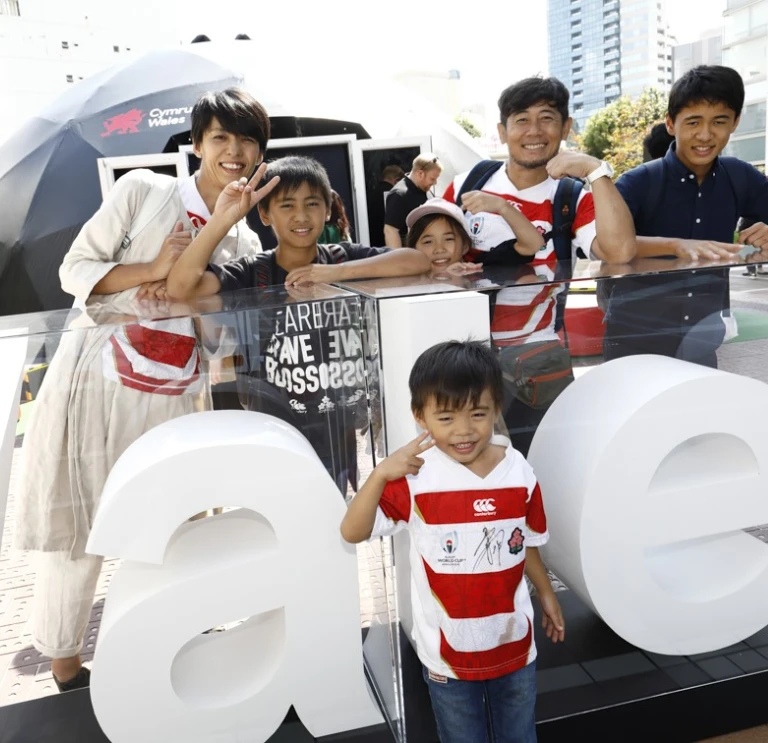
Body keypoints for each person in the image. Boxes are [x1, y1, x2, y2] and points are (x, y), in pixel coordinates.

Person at [13, 88, 270, 692]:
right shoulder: (143, 192)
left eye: (246, 140)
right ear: (198, 142)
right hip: (97, 385)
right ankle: (65, 662)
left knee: (178, 523)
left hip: (178, 399)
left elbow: (221, 346)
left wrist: (195, 304)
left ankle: (180, 633)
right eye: (220, 138)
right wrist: (155, 270)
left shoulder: (247, 241)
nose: (233, 152)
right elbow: (75, 271)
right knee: (81, 521)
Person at [340, 340, 564, 743]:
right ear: (420, 417)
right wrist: (379, 475)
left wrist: (545, 593)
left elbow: (525, 542)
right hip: (447, 661)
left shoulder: (520, 472)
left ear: (497, 409)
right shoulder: (414, 479)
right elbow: (352, 532)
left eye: (478, 414)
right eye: (446, 417)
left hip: (515, 649)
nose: (464, 431)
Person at [167, 156, 431, 493]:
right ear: (265, 214)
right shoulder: (252, 272)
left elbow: (417, 261)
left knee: (336, 517)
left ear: (327, 209)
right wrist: (222, 220)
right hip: (272, 432)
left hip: (337, 429)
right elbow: (181, 287)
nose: (301, 216)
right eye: (287, 205)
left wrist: (335, 275)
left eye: (312, 204)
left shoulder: (340, 258)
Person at [442, 76, 636, 454]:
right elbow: (431, 251)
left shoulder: (570, 196)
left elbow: (620, 253)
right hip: (467, 353)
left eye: (547, 118)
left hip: (538, 357)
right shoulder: (469, 182)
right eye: (521, 120)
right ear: (502, 131)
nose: (534, 131)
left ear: (565, 127)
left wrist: (596, 170)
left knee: (545, 461)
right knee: (471, 467)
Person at [605, 65, 768, 368]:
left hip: (702, 341)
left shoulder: (740, 176)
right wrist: (676, 245)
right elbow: (603, 246)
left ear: (735, 122)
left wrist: (763, 235)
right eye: (693, 122)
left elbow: (753, 240)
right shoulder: (637, 182)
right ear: (670, 123)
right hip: (633, 343)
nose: (705, 135)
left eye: (719, 121)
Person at [384, 153, 443, 247]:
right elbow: (390, 231)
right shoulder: (399, 194)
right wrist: (399, 260)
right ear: (420, 173)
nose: (435, 183)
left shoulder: (423, 190)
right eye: (432, 179)